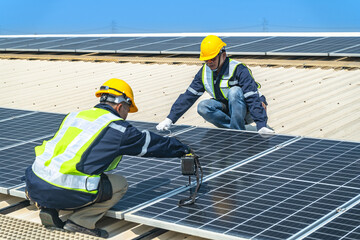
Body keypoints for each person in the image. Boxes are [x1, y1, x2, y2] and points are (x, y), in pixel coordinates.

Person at [25, 78, 192, 238]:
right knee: (120, 184)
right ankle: (81, 222)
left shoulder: (75, 116)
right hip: (63, 189)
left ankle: (48, 207)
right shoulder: (118, 128)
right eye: (128, 109)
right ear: (120, 106)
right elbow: (151, 144)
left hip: (33, 182)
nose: (127, 115)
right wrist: (181, 148)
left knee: (66, 174)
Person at [156, 35, 274, 134]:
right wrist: (169, 119)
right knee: (203, 106)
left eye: (212, 59)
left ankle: (238, 134)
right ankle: (237, 130)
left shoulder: (238, 69)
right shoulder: (204, 73)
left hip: (250, 110)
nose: (209, 63)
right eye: (206, 60)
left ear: (223, 55)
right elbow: (188, 97)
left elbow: (252, 97)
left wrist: (261, 124)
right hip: (228, 109)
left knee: (234, 91)